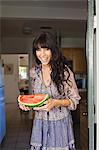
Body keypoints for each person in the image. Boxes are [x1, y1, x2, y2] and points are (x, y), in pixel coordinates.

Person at [19, 31, 81, 150]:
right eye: (38, 50)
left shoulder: (65, 72)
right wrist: (26, 105)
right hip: (39, 124)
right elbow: (35, 98)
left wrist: (56, 103)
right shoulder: (33, 73)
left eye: (46, 49)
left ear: (53, 50)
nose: (42, 54)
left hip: (60, 123)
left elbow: (75, 100)